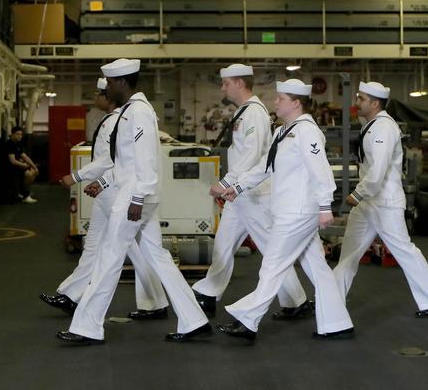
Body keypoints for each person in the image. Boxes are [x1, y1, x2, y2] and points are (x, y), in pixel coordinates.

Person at [57, 59, 210, 344]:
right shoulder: (130, 112)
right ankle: (194, 320)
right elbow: (117, 160)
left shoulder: (138, 113)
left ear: (121, 83)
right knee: (159, 259)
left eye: (110, 83)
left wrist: (137, 198)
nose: (106, 89)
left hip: (134, 197)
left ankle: (87, 327)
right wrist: (84, 177)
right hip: (136, 195)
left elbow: (147, 161)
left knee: (109, 259)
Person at [218, 79, 354, 341]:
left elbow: (321, 170)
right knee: (318, 268)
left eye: (281, 98)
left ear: (296, 103)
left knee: (272, 265)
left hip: (299, 211)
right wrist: (238, 186)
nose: (276, 102)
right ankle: (337, 323)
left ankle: (248, 321)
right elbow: (265, 167)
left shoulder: (307, 131)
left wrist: (325, 206)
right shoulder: (283, 131)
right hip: (290, 209)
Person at [41, 78, 168, 318]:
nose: (95, 99)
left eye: (98, 94)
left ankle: (155, 302)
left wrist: (78, 176)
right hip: (106, 192)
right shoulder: (111, 120)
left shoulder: (118, 121)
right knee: (93, 246)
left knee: (130, 249)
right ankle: (71, 295)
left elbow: (111, 161)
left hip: (116, 192)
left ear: (107, 96)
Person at [193, 64, 311, 320]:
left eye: (226, 83)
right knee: (223, 245)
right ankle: (208, 293)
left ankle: (296, 300)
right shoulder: (244, 112)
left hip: (254, 194)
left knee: (271, 250)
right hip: (241, 194)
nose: (222, 88)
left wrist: (226, 184)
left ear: (239, 83)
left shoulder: (254, 114)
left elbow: (252, 155)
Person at [333, 81, 428, 317]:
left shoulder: (384, 128)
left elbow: (377, 172)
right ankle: (332, 300)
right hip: (370, 203)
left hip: (384, 202)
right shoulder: (372, 124)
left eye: (362, 99)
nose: (357, 103)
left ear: (375, 103)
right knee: (349, 252)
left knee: (404, 251)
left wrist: (357, 194)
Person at [5, 126, 39, 204]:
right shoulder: (9, 144)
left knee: (34, 171)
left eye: (20, 134)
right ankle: (25, 196)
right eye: (17, 134)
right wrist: (23, 165)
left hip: (17, 166)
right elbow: (12, 161)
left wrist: (34, 167)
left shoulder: (18, 143)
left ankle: (22, 192)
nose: (19, 136)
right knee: (29, 174)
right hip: (9, 167)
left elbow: (25, 157)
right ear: (12, 134)